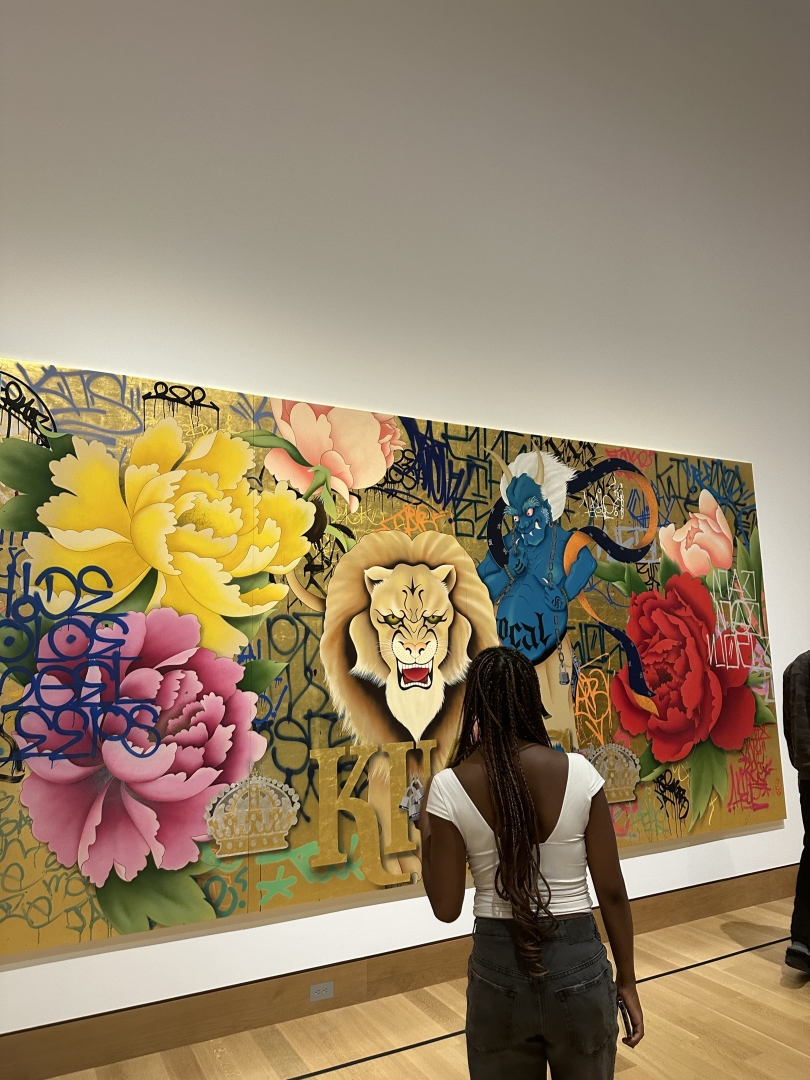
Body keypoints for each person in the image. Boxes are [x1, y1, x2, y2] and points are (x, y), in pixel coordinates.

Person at [417, 646, 643, 1079]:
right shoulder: (580, 773)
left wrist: (425, 828)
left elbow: (445, 909)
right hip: (578, 960)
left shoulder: (447, 786)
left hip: (497, 967)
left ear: (476, 704)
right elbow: (611, 891)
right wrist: (627, 980)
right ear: (530, 700)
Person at [783, 650, 810, 973]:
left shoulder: (796, 668)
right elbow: (801, 742)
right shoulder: (802, 669)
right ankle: (802, 939)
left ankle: (802, 939)